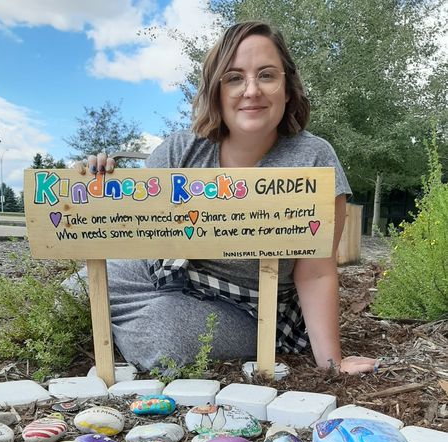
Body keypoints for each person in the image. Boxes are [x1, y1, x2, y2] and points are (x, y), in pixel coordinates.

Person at [71, 20, 378, 375]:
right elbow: (132, 226)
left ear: (288, 88)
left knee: (165, 340)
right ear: (217, 90)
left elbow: (315, 273)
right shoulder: (180, 149)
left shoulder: (313, 158)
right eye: (234, 78)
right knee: (78, 288)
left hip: (247, 308)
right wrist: (99, 183)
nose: (251, 90)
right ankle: (108, 315)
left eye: (266, 75)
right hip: (163, 274)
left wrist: (331, 362)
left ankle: (110, 319)